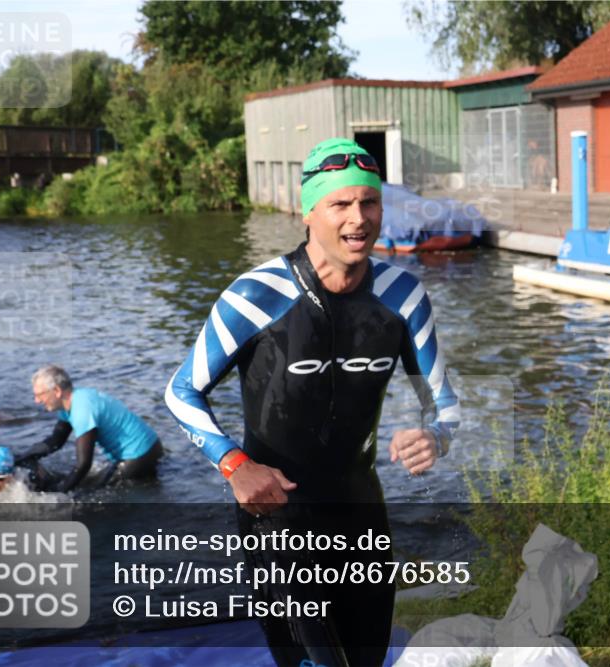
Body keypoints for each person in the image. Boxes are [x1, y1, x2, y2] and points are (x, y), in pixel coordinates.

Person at [165, 137, 460, 667]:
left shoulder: (404, 297)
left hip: (361, 511)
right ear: (308, 212)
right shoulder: (255, 296)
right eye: (340, 204)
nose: (359, 218)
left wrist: (432, 437)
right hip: (277, 516)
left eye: (369, 203)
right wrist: (235, 465)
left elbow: (443, 405)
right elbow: (182, 390)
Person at [23, 365, 162, 493]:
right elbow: (55, 441)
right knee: (87, 484)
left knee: (95, 494)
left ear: (57, 391)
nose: (37, 400)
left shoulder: (82, 410)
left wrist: (58, 494)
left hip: (140, 455)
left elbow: (83, 465)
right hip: (149, 446)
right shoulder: (73, 402)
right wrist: (24, 458)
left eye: (40, 395)